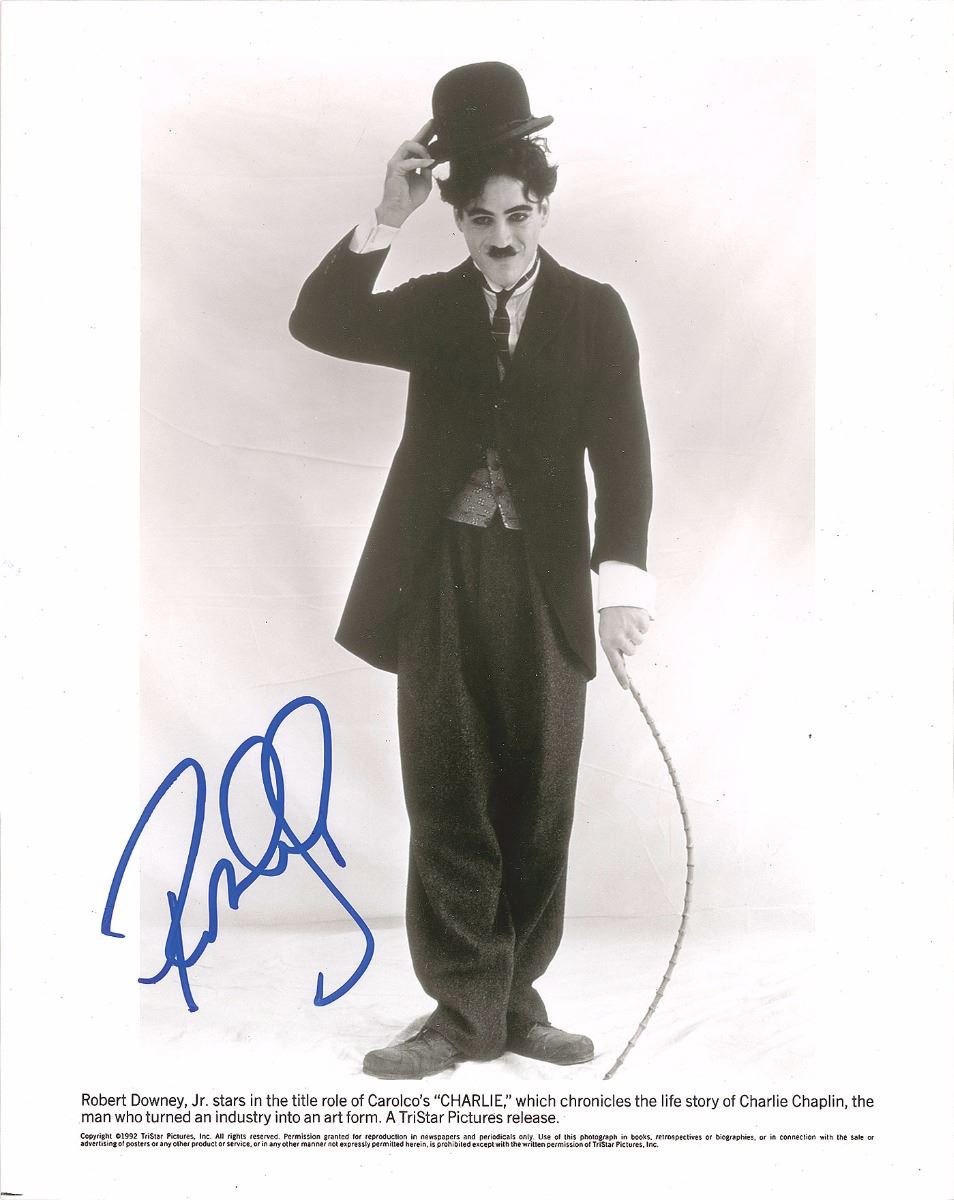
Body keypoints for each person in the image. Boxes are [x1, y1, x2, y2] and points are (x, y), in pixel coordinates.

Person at [289, 62, 655, 1080]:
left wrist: (621, 588)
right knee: (449, 789)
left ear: (545, 210)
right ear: (456, 219)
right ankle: (461, 1012)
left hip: (548, 586)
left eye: (519, 215)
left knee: (538, 797)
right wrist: (385, 213)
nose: (502, 238)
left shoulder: (596, 313)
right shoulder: (431, 307)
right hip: (440, 576)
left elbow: (626, 460)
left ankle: (514, 999)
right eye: (482, 218)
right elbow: (318, 322)